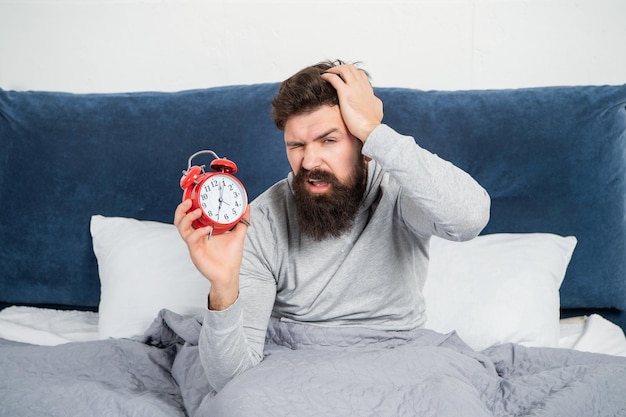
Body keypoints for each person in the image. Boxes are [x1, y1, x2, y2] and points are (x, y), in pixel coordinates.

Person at [174, 59, 491, 393]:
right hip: (296, 368)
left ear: (365, 146)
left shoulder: (401, 193)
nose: (309, 162)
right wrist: (223, 286)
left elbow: (470, 218)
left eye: (328, 141)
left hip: (397, 359)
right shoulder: (260, 220)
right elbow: (230, 379)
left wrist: (375, 132)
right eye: (296, 146)